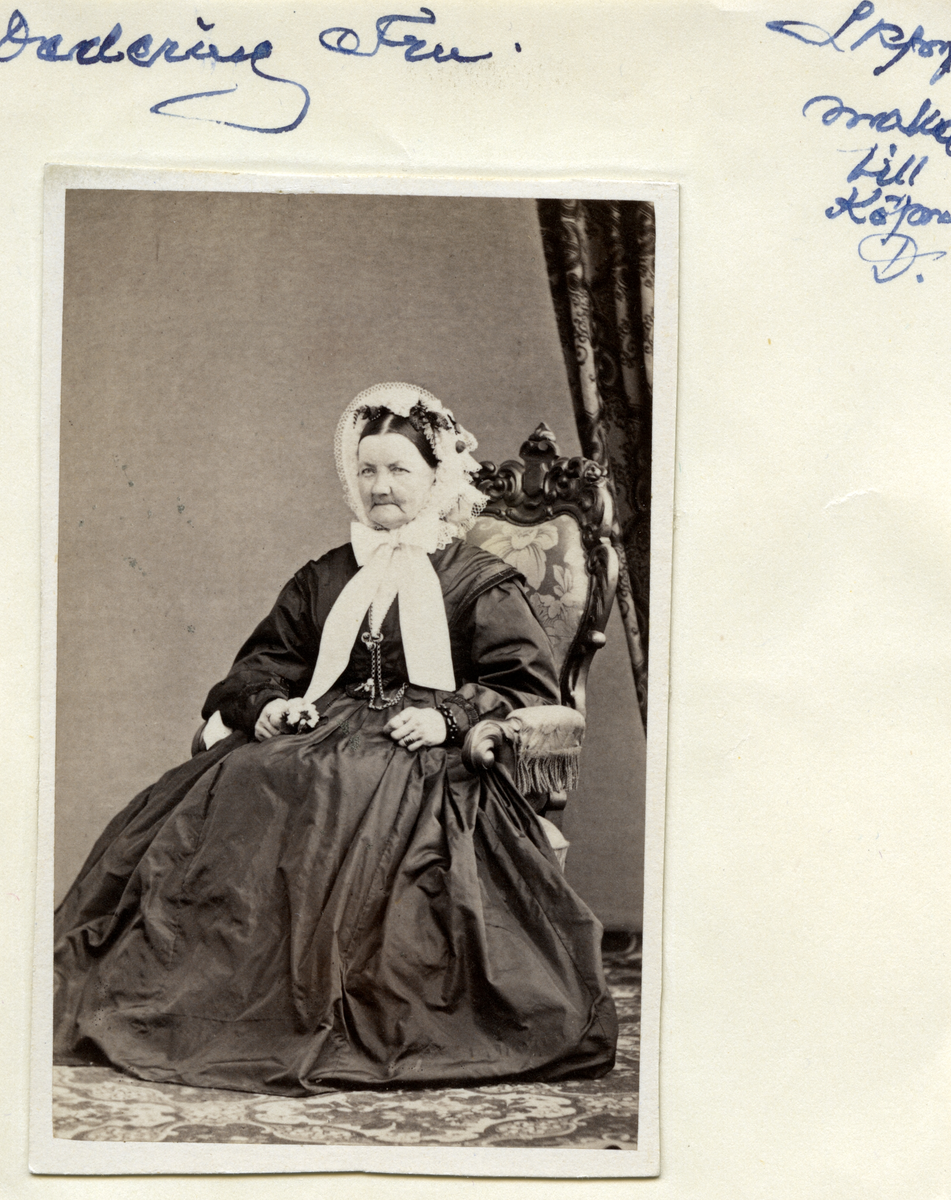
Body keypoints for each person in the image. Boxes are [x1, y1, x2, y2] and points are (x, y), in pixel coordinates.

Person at [54, 382, 618, 1097]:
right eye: (368, 470)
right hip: (325, 730)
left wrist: (449, 717)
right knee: (248, 774)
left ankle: (326, 1003)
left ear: (436, 476)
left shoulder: (480, 581)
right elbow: (263, 662)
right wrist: (270, 705)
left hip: (425, 750)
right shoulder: (326, 574)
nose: (381, 486)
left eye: (399, 470)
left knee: (345, 786)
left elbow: (525, 683)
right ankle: (218, 998)